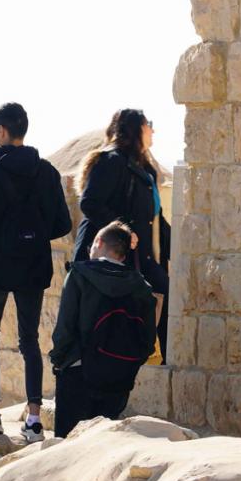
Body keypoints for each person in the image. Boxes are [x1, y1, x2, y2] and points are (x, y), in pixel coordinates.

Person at [0, 102, 74, 444]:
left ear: (0, 131)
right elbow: (62, 224)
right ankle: (33, 419)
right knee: (30, 341)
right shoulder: (46, 171)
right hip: (33, 266)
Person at [74, 108, 169, 359]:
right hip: (115, 258)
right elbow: (90, 203)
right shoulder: (111, 161)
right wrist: (122, 231)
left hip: (140, 258)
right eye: (149, 124)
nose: (153, 129)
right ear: (136, 127)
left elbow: (153, 218)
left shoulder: (143, 168)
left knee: (161, 296)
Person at [50, 220, 156, 437]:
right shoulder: (142, 287)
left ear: (98, 242)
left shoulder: (80, 275)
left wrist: (59, 361)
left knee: (67, 449)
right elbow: (148, 340)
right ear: (124, 255)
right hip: (119, 379)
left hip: (78, 371)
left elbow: (66, 326)